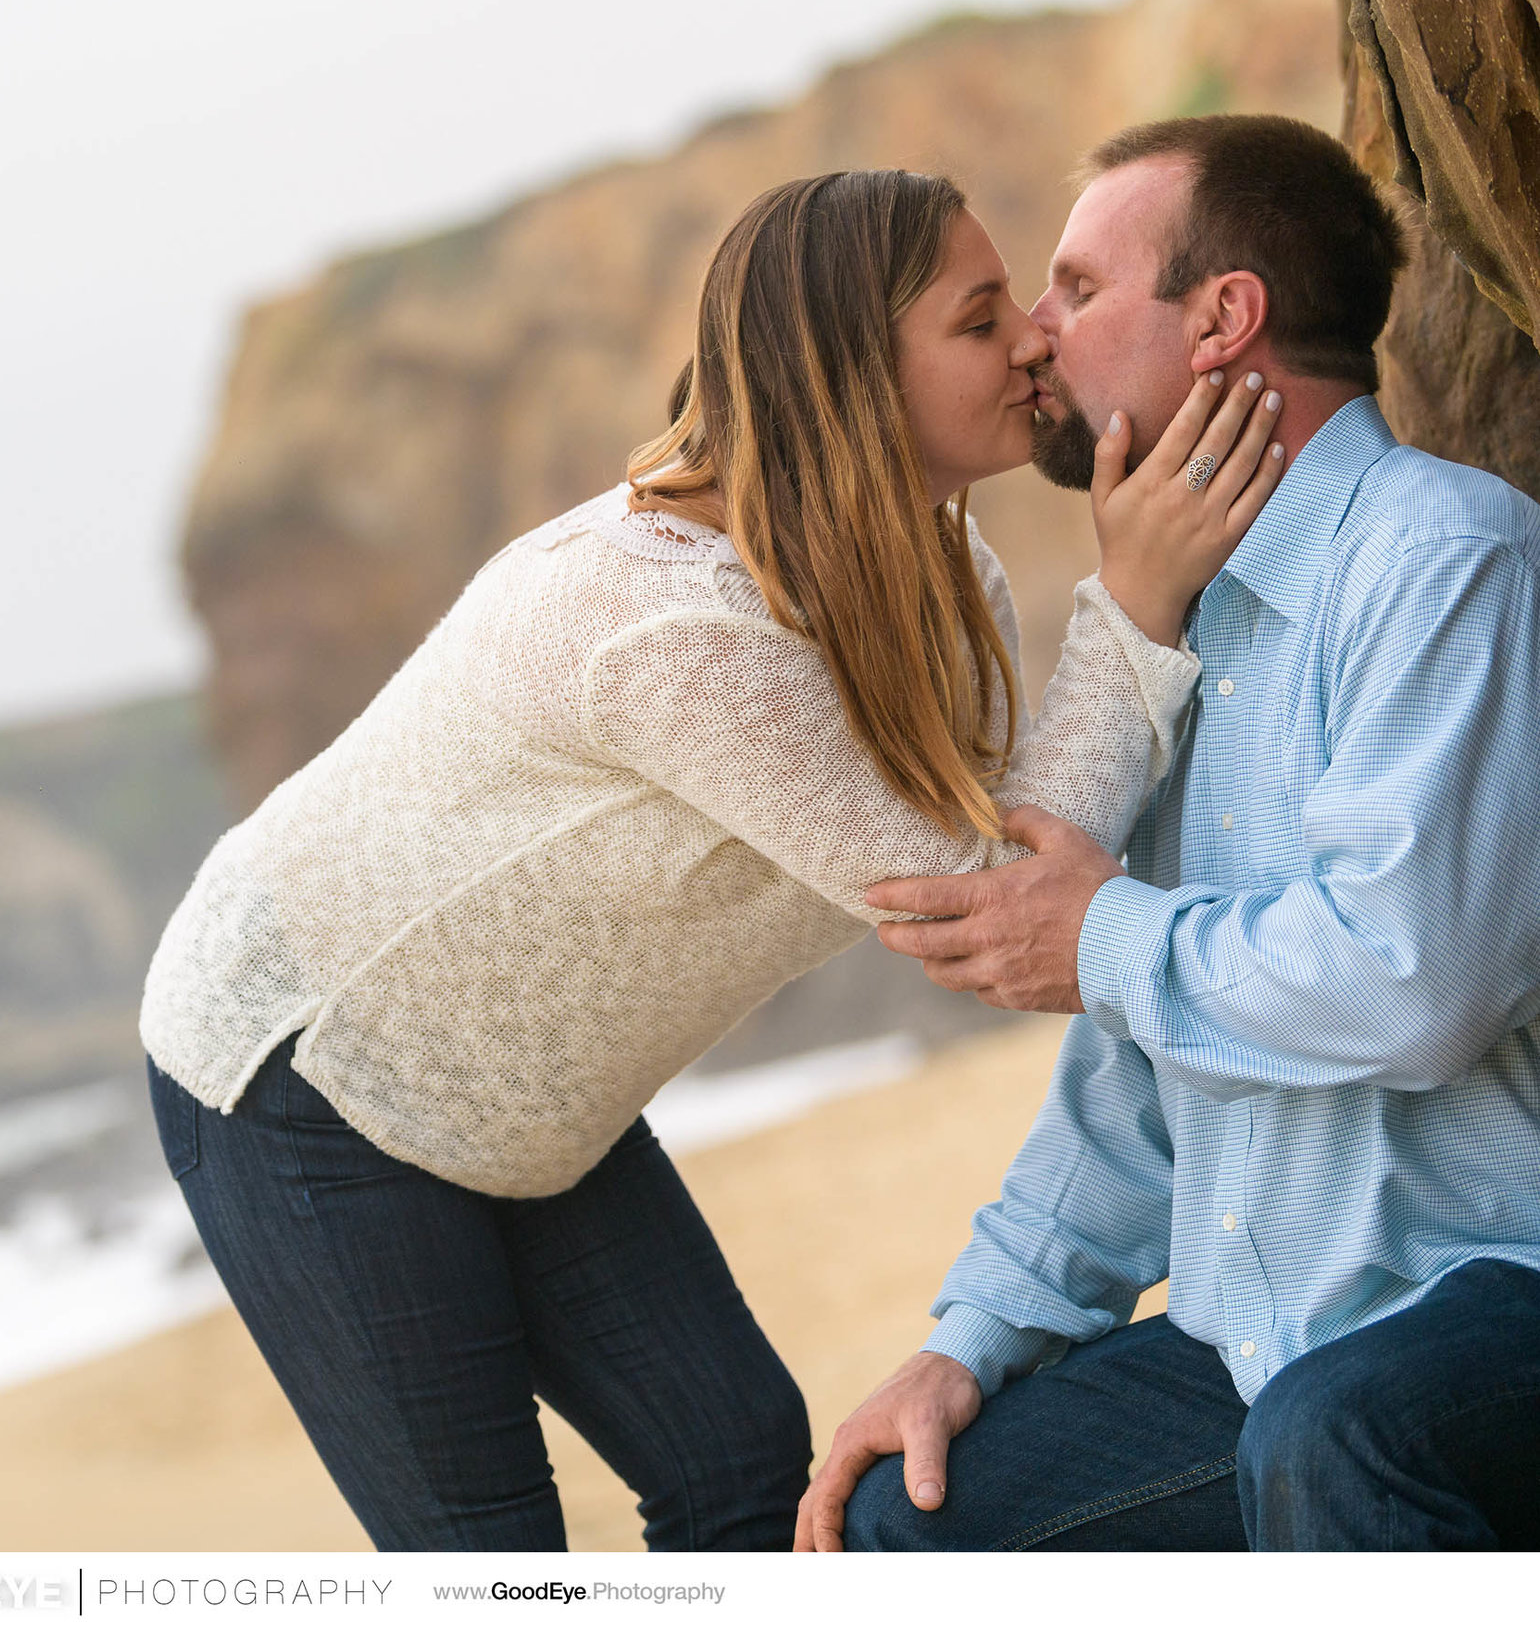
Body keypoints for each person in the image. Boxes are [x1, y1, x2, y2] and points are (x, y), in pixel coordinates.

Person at [139, 167, 1287, 1551]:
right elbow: (977, 912)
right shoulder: (669, 630)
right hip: (303, 1069)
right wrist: (1136, 601)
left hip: (526, 1087)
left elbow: (1025, 847)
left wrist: (1132, 618)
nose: (1037, 337)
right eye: (983, 320)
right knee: (490, 1558)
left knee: (739, 1463)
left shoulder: (944, 574)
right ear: (853, 374)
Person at [799, 114, 1540, 1553]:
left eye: (1077, 289)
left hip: (1491, 1291)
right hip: (1262, 1339)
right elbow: (1140, 1063)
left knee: (1335, 1435)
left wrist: (1099, 933)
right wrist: (975, 1334)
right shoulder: (1178, 625)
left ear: (1223, 320)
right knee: (909, 1524)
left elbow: (1416, 980)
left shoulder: (1445, 558)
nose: (1035, 334)